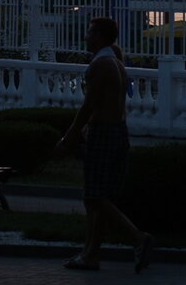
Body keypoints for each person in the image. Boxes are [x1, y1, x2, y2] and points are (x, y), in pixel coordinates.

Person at [58, 17, 152, 273]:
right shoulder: (116, 63)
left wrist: (70, 136)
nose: (86, 37)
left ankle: (137, 237)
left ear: (98, 36)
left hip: (103, 133)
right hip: (118, 132)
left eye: (89, 32)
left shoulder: (102, 64)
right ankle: (91, 254)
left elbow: (88, 106)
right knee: (100, 198)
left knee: (94, 196)